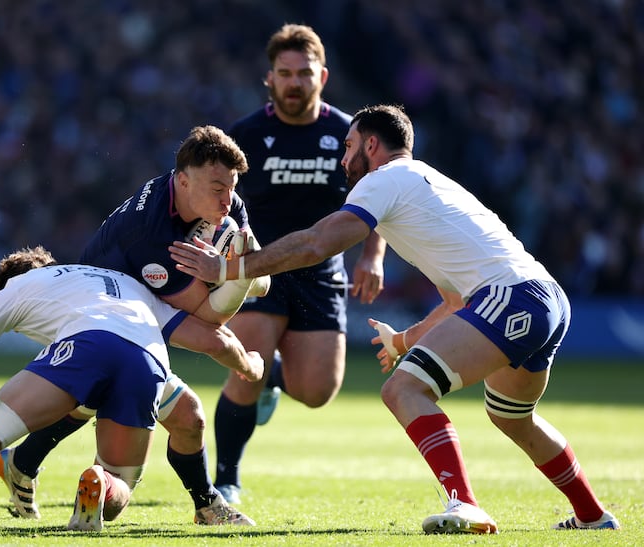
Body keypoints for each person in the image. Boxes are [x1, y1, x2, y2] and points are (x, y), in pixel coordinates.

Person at [170, 104, 621, 534]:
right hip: (542, 299)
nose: (342, 158)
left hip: (510, 298)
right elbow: (453, 300)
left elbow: (316, 243)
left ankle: (464, 503)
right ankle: (592, 515)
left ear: (371, 145)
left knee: (404, 389)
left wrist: (230, 269)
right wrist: (404, 340)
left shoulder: (383, 178)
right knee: (513, 418)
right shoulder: (425, 183)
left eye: (347, 147)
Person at [0, 125, 268, 525]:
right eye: (218, 189)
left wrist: (234, 270)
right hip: (110, 316)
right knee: (175, 401)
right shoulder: (151, 237)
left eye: (231, 188)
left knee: (171, 413)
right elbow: (212, 320)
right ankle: (108, 487)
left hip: (126, 315)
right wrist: (249, 358)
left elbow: (257, 270)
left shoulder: (219, 198)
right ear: (185, 181)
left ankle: (24, 461)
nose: (228, 200)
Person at [0, 247, 264, 533]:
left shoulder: (17, 289)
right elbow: (208, 340)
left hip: (84, 349)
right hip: (147, 361)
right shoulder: (123, 283)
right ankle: (100, 482)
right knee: (123, 483)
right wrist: (249, 364)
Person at [210, 23, 386, 504]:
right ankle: (225, 480)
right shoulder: (244, 136)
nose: (294, 82)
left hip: (322, 272)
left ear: (322, 76)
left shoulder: (350, 135)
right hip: (258, 270)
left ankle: (274, 377)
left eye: (303, 73)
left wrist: (372, 255)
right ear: (269, 78)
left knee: (316, 391)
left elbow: (381, 199)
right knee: (246, 368)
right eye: (284, 73)